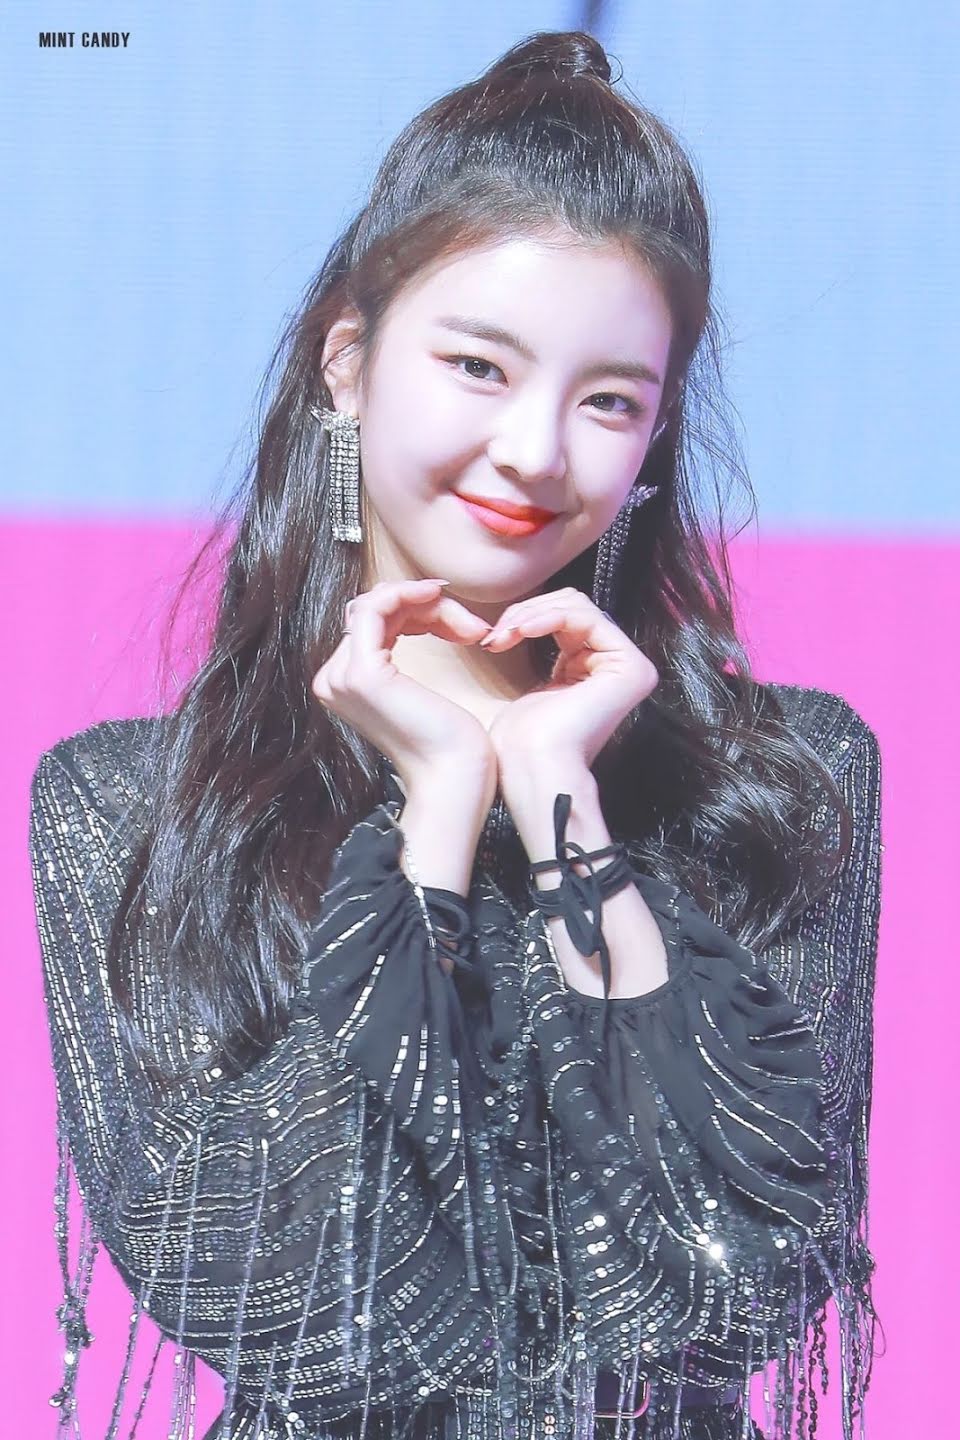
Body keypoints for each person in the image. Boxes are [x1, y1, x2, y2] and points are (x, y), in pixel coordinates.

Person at [28, 29, 884, 1440]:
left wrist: (559, 804)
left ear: (655, 437)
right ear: (349, 364)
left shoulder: (786, 784)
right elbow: (290, 1307)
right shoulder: (131, 804)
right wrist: (432, 821)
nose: (538, 451)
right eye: (481, 366)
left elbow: (735, 1294)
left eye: (611, 400)